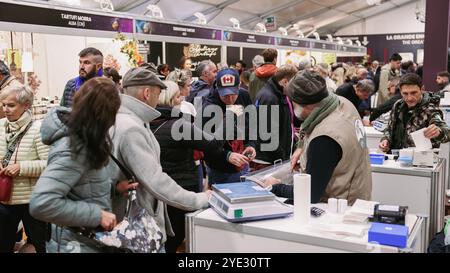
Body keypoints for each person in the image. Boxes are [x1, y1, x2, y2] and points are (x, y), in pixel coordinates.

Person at [107, 67, 210, 252]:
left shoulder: (123, 120)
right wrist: (198, 200)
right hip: (139, 227)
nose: (159, 97)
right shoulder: (131, 128)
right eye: (158, 92)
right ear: (147, 93)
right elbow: (155, 180)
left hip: (129, 221)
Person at [30, 77, 121, 253]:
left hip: (82, 241)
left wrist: (114, 187)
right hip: (74, 244)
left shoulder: (85, 139)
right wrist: (97, 215)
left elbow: (81, 184)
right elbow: (41, 202)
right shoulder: (74, 148)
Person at [265, 71, 372, 205]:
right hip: (358, 193)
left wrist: (275, 186)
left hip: (337, 208)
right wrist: (302, 147)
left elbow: (310, 194)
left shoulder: (325, 138)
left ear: (305, 104)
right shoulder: (342, 103)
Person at [151, 81, 230, 253]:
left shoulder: (148, 122)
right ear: (171, 99)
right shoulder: (178, 125)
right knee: (179, 234)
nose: (183, 98)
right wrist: (229, 119)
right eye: (179, 96)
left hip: (157, 186)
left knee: (168, 235)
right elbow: (213, 144)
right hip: (182, 186)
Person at [0, 85, 49, 253]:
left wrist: (22, 167)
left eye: (11, 105)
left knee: (40, 245)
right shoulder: (0, 126)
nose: (5, 109)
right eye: (3, 104)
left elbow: (50, 164)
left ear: (26, 105)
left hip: (32, 201)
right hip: (4, 200)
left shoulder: (38, 129)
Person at [202, 68, 256, 184]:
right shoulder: (208, 107)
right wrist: (227, 155)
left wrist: (250, 144)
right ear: (218, 88)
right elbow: (205, 144)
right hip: (221, 169)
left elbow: (251, 124)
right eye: (225, 96)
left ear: (239, 87)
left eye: (233, 94)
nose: (230, 99)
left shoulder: (244, 96)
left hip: (243, 163)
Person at [379, 73, 450, 152]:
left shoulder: (430, 108)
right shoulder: (398, 105)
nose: (409, 98)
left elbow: (447, 133)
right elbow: (389, 128)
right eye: (405, 93)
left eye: (414, 93)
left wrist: (439, 132)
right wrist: (385, 140)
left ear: (422, 89)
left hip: (420, 160)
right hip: (395, 159)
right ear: (400, 91)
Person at [254, 64, 298, 169]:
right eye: (294, 84)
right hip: (268, 162)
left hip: (274, 159)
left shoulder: (279, 95)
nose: (296, 88)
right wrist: (282, 159)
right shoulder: (269, 98)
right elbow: (267, 135)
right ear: (284, 82)